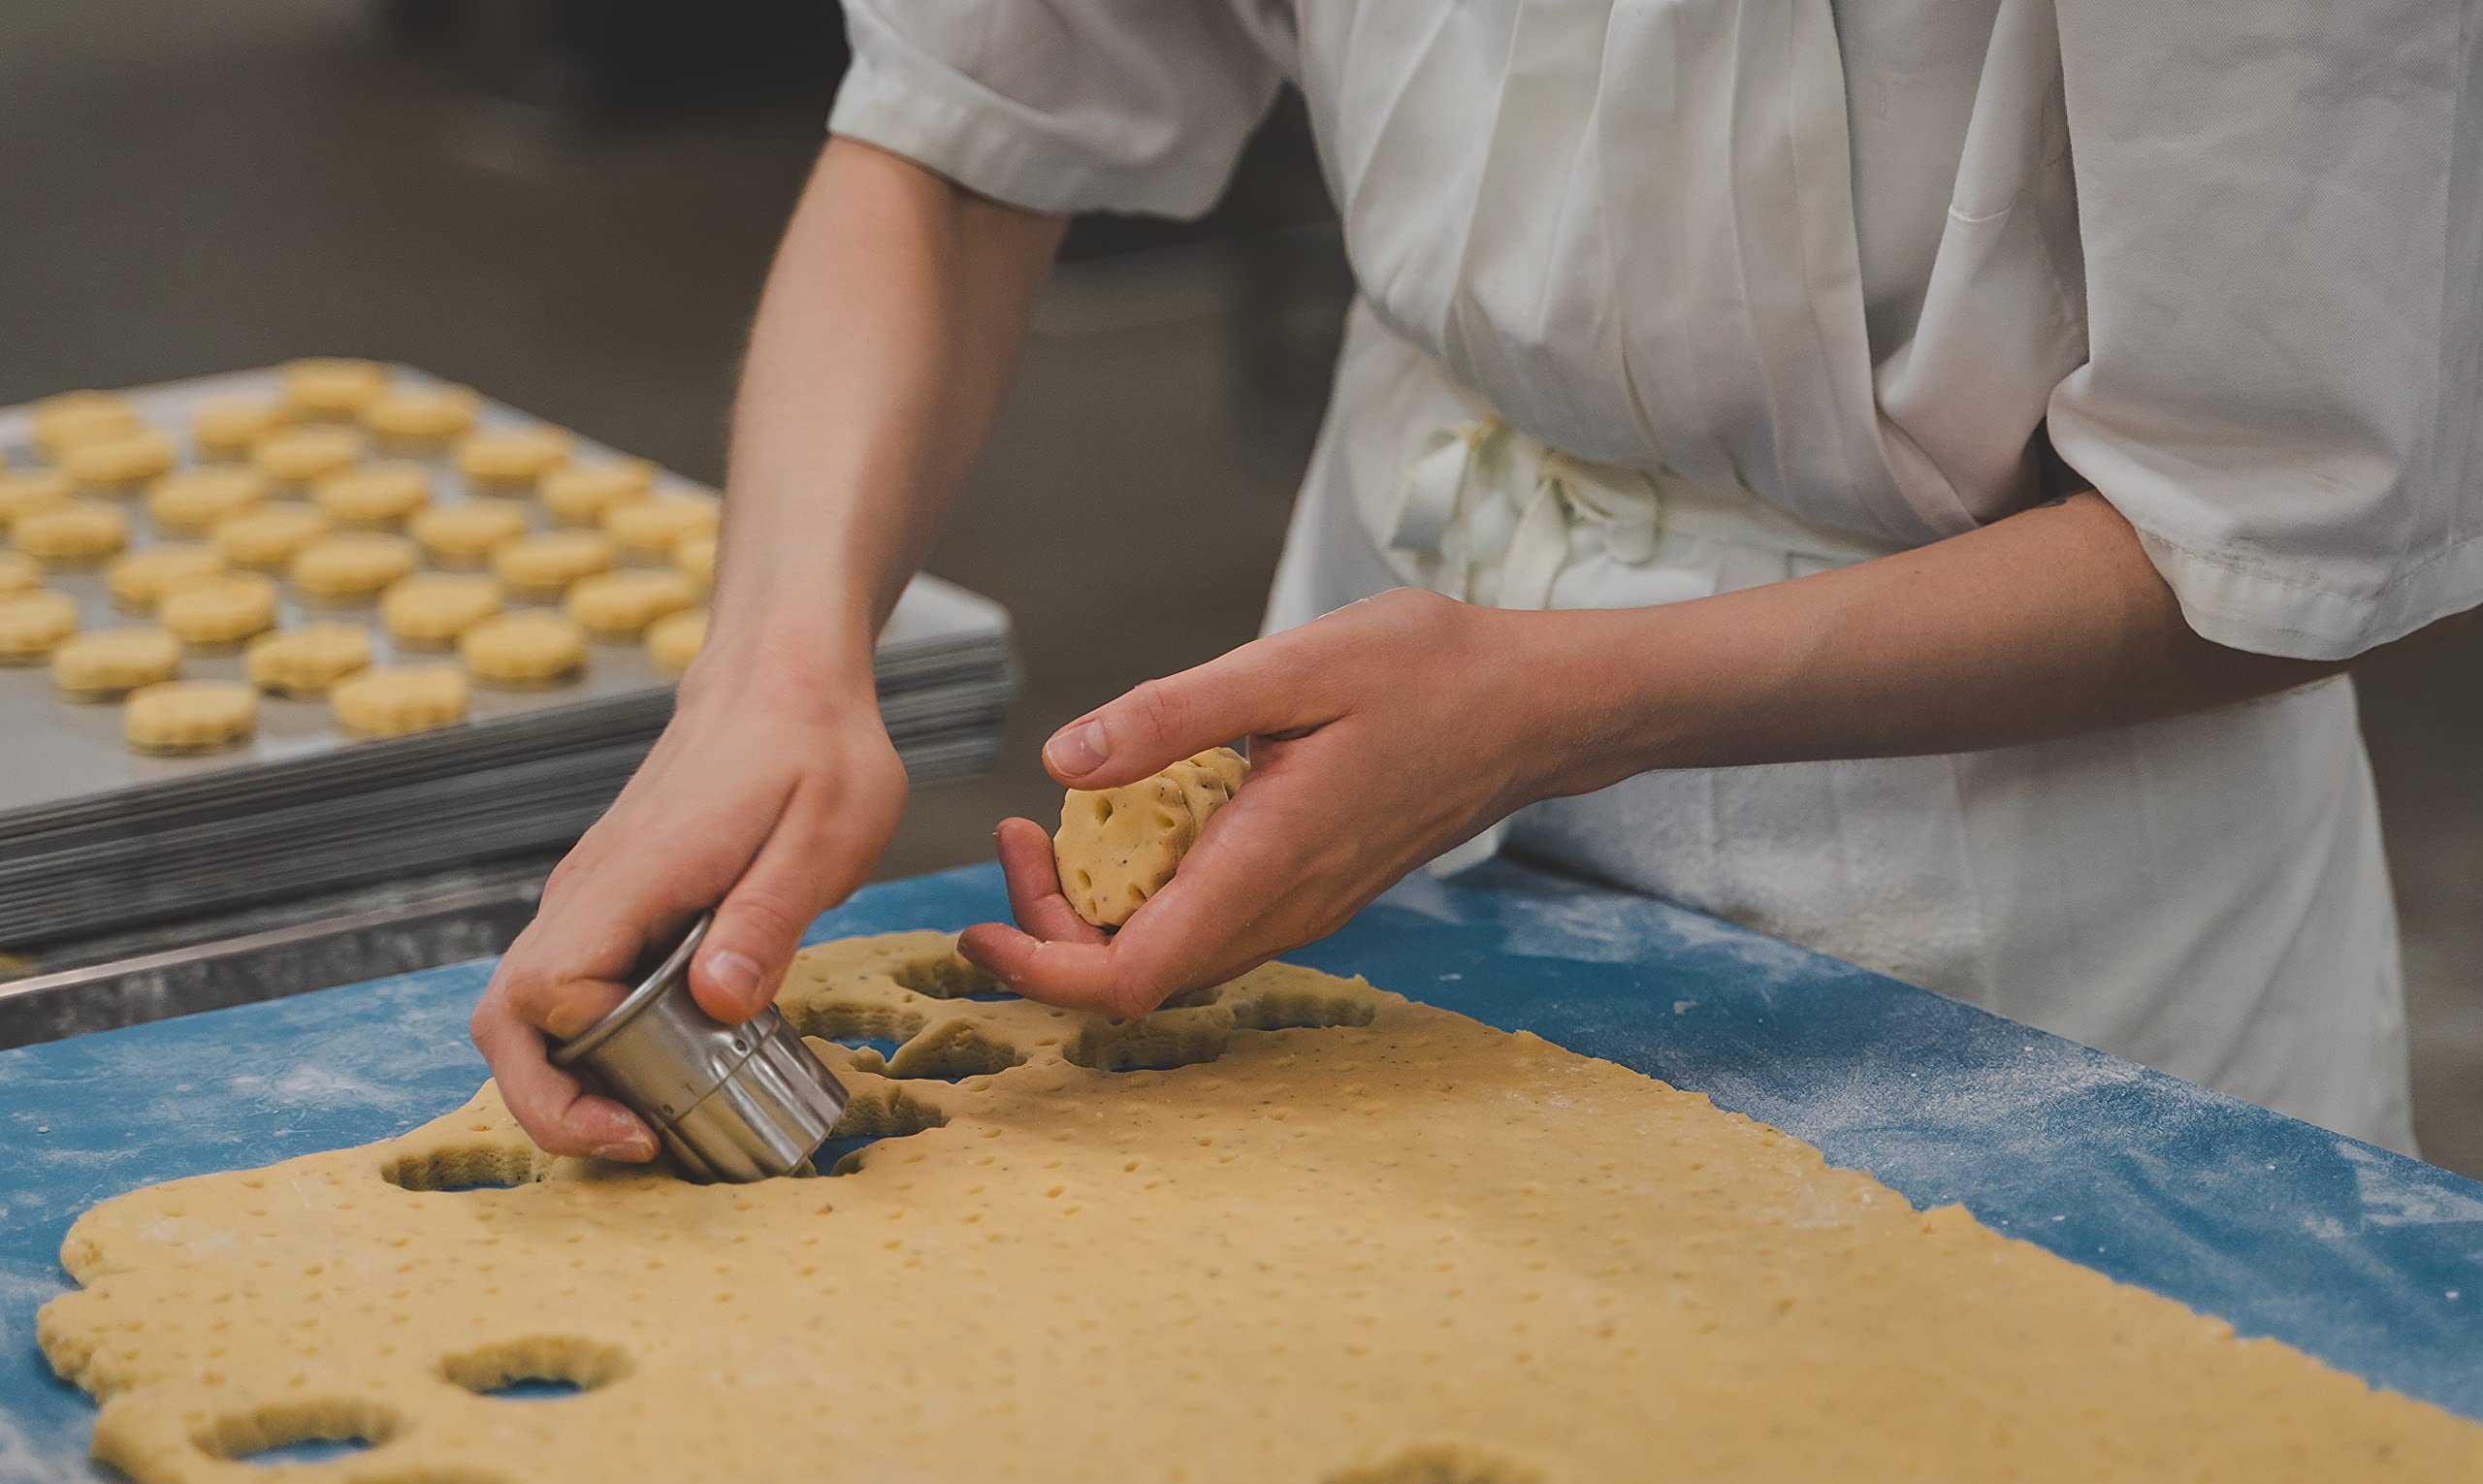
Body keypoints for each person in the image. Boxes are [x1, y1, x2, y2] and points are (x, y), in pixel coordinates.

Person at [471, 1, 2480, 1164]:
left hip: (2014, 937)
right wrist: (775, 666)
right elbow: (967, 132)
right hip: (1373, 760)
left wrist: (1553, 702)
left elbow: (2261, 526)